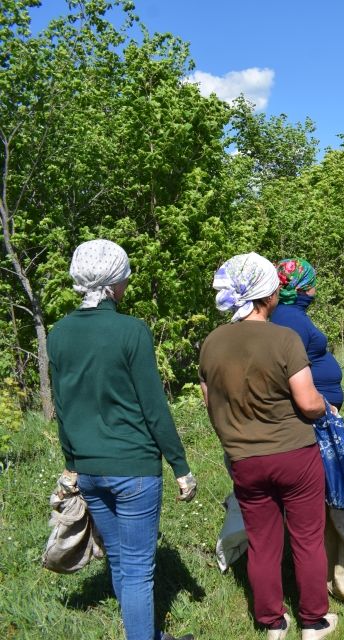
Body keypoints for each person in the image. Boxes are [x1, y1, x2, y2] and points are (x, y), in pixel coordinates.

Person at [48, 239, 196, 640]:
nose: (128, 281)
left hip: (91, 472)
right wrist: (180, 467)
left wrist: (73, 464)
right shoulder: (131, 331)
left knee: (118, 559)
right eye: (126, 275)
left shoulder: (58, 334)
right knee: (136, 571)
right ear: (115, 282)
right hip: (134, 471)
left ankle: (147, 634)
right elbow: (154, 408)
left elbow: (63, 408)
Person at [199, 253, 338, 640]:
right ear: (266, 296)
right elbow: (308, 402)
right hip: (294, 453)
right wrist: (326, 406)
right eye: (274, 287)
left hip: (244, 459)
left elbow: (210, 403)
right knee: (307, 539)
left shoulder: (211, 343)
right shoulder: (283, 338)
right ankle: (314, 621)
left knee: (262, 542)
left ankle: (271, 623)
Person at [271, 258, 344, 409]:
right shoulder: (290, 318)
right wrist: (320, 407)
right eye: (313, 283)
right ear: (302, 288)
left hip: (318, 405)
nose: (315, 288)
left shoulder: (291, 313)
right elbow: (288, 368)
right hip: (312, 410)